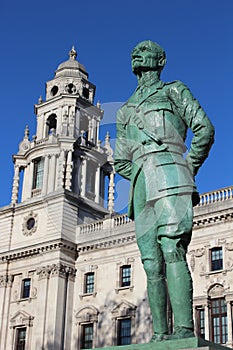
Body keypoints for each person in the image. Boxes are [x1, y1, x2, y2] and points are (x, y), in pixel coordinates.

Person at [114, 40, 214, 342]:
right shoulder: (124, 111)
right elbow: (121, 160)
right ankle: (159, 335)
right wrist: (144, 172)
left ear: (161, 60)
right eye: (134, 51)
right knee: (150, 262)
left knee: (172, 250)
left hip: (172, 174)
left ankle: (183, 330)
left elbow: (204, 129)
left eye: (144, 50)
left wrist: (186, 167)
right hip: (141, 184)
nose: (136, 54)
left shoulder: (173, 91)